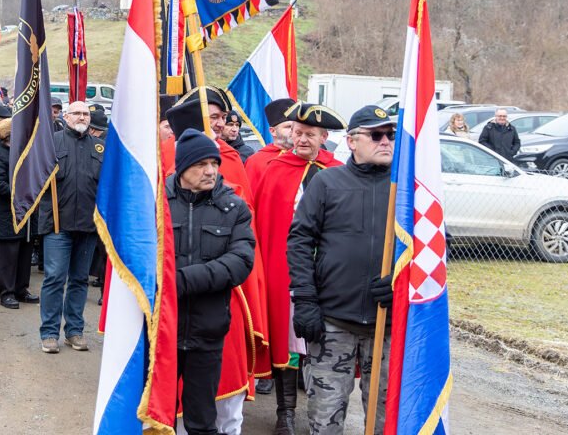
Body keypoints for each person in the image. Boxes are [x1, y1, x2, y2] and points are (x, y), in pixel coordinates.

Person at [287, 105, 397, 435]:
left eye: (390, 135)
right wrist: (305, 300)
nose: (386, 142)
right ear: (351, 141)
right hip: (334, 322)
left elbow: (435, 248)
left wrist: (402, 283)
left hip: (388, 325)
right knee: (325, 420)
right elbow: (300, 241)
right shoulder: (327, 182)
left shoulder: (406, 189)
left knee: (385, 422)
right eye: (376, 135)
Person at [253, 101, 346, 435]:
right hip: (284, 269)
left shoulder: (335, 171)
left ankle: (323, 414)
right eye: (298, 131)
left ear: (323, 137)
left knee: (325, 341)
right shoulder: (273, 168)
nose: (303, 139)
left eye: (311, 134)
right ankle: (285, 413)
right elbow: (262, 221)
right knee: (287, 339)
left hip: (328, 272)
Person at [168, 129, 256, 435]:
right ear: (181, 167)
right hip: (162, 330)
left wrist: (182, 280)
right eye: (201, 164)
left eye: (214, 163)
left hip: (207, 332)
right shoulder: (156, 204)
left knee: (202, 421)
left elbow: (240, 262)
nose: (210, 171)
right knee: (157, 417)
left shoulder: (234, 208)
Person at [39, 100, 104, 354]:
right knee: (55, 278)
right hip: (58, 223)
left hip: (87, 226)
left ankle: (74, 331)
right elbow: (35, 180)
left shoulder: (100, 147)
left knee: (79, 279)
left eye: (86, 114)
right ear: (65, 116)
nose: (82, 117)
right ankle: (49, 333)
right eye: (76, 113)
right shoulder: (51, 143)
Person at [0, 116, 38, 309]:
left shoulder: (24, 153)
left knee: (25, 253)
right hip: (7, 215)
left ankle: (21, 289)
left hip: (26, 214)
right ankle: (7, 293)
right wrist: (22, 193)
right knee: (9, 256)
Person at [244, 98, 298, 190]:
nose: (293, 132)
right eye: (288, 127)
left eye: (296, 127)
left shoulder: (306, 156)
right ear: (273, 131)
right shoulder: (256, 162)